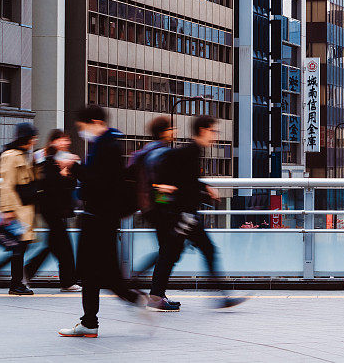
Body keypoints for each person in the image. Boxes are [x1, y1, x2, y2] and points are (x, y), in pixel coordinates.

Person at [58, 105, 146, 338]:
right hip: (101, 219)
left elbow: (99, 185)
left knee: (97, 274)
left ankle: (130, 303)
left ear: (95, 122)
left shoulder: (107, 147)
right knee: (99, 274)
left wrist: (74, 167)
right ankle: (94, 320)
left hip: (98, 220)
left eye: (82, 127)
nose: (80, 132)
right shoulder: (106, 145)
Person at [149, 115, 244, 309]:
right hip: (183, 214)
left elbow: (187, 181)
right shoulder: (189, 152)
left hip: (182, 213)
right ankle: (221, 296)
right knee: (182, 252)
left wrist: (204, 187)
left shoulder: (191, 152)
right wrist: (203, 191)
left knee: (172, 253)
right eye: (213, 131)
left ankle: (155, 295)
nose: (215, 136)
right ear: (203, 130)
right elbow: (184, 186)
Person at [128, 116, 181, 311]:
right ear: (164, 132)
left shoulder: (146, 150)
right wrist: (167, 204)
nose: (174, 131)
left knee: (168, 250)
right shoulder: (160, 153)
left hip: (149, 208)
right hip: (161, 208)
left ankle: (156, 293)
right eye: (171, 128)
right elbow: (158, 183)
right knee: (169, 251)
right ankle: (155, 294)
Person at [24, 129, 81, 292]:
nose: (66, 143)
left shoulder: (66, 158)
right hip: (50, 208)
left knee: (54, 245)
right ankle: (67, 281)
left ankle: (29, 270)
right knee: (64, 246)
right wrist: (62, 174)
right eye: (63, 140)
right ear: (53, 141)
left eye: (67, 140)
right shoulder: (44, 157)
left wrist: (68, 172)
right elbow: (46, 183)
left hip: (60, 208)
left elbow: (71, 184)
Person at [0, 123, 39, 295]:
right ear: (25, 138)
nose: (34, 140)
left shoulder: (21, 155)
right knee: (18, 248)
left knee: (19, 247)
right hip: (16, 210)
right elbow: (6, 185)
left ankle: (16, 282)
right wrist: (7, 210)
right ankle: (16, 284)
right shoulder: (10, 156)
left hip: (23, 210)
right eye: (33, 137)